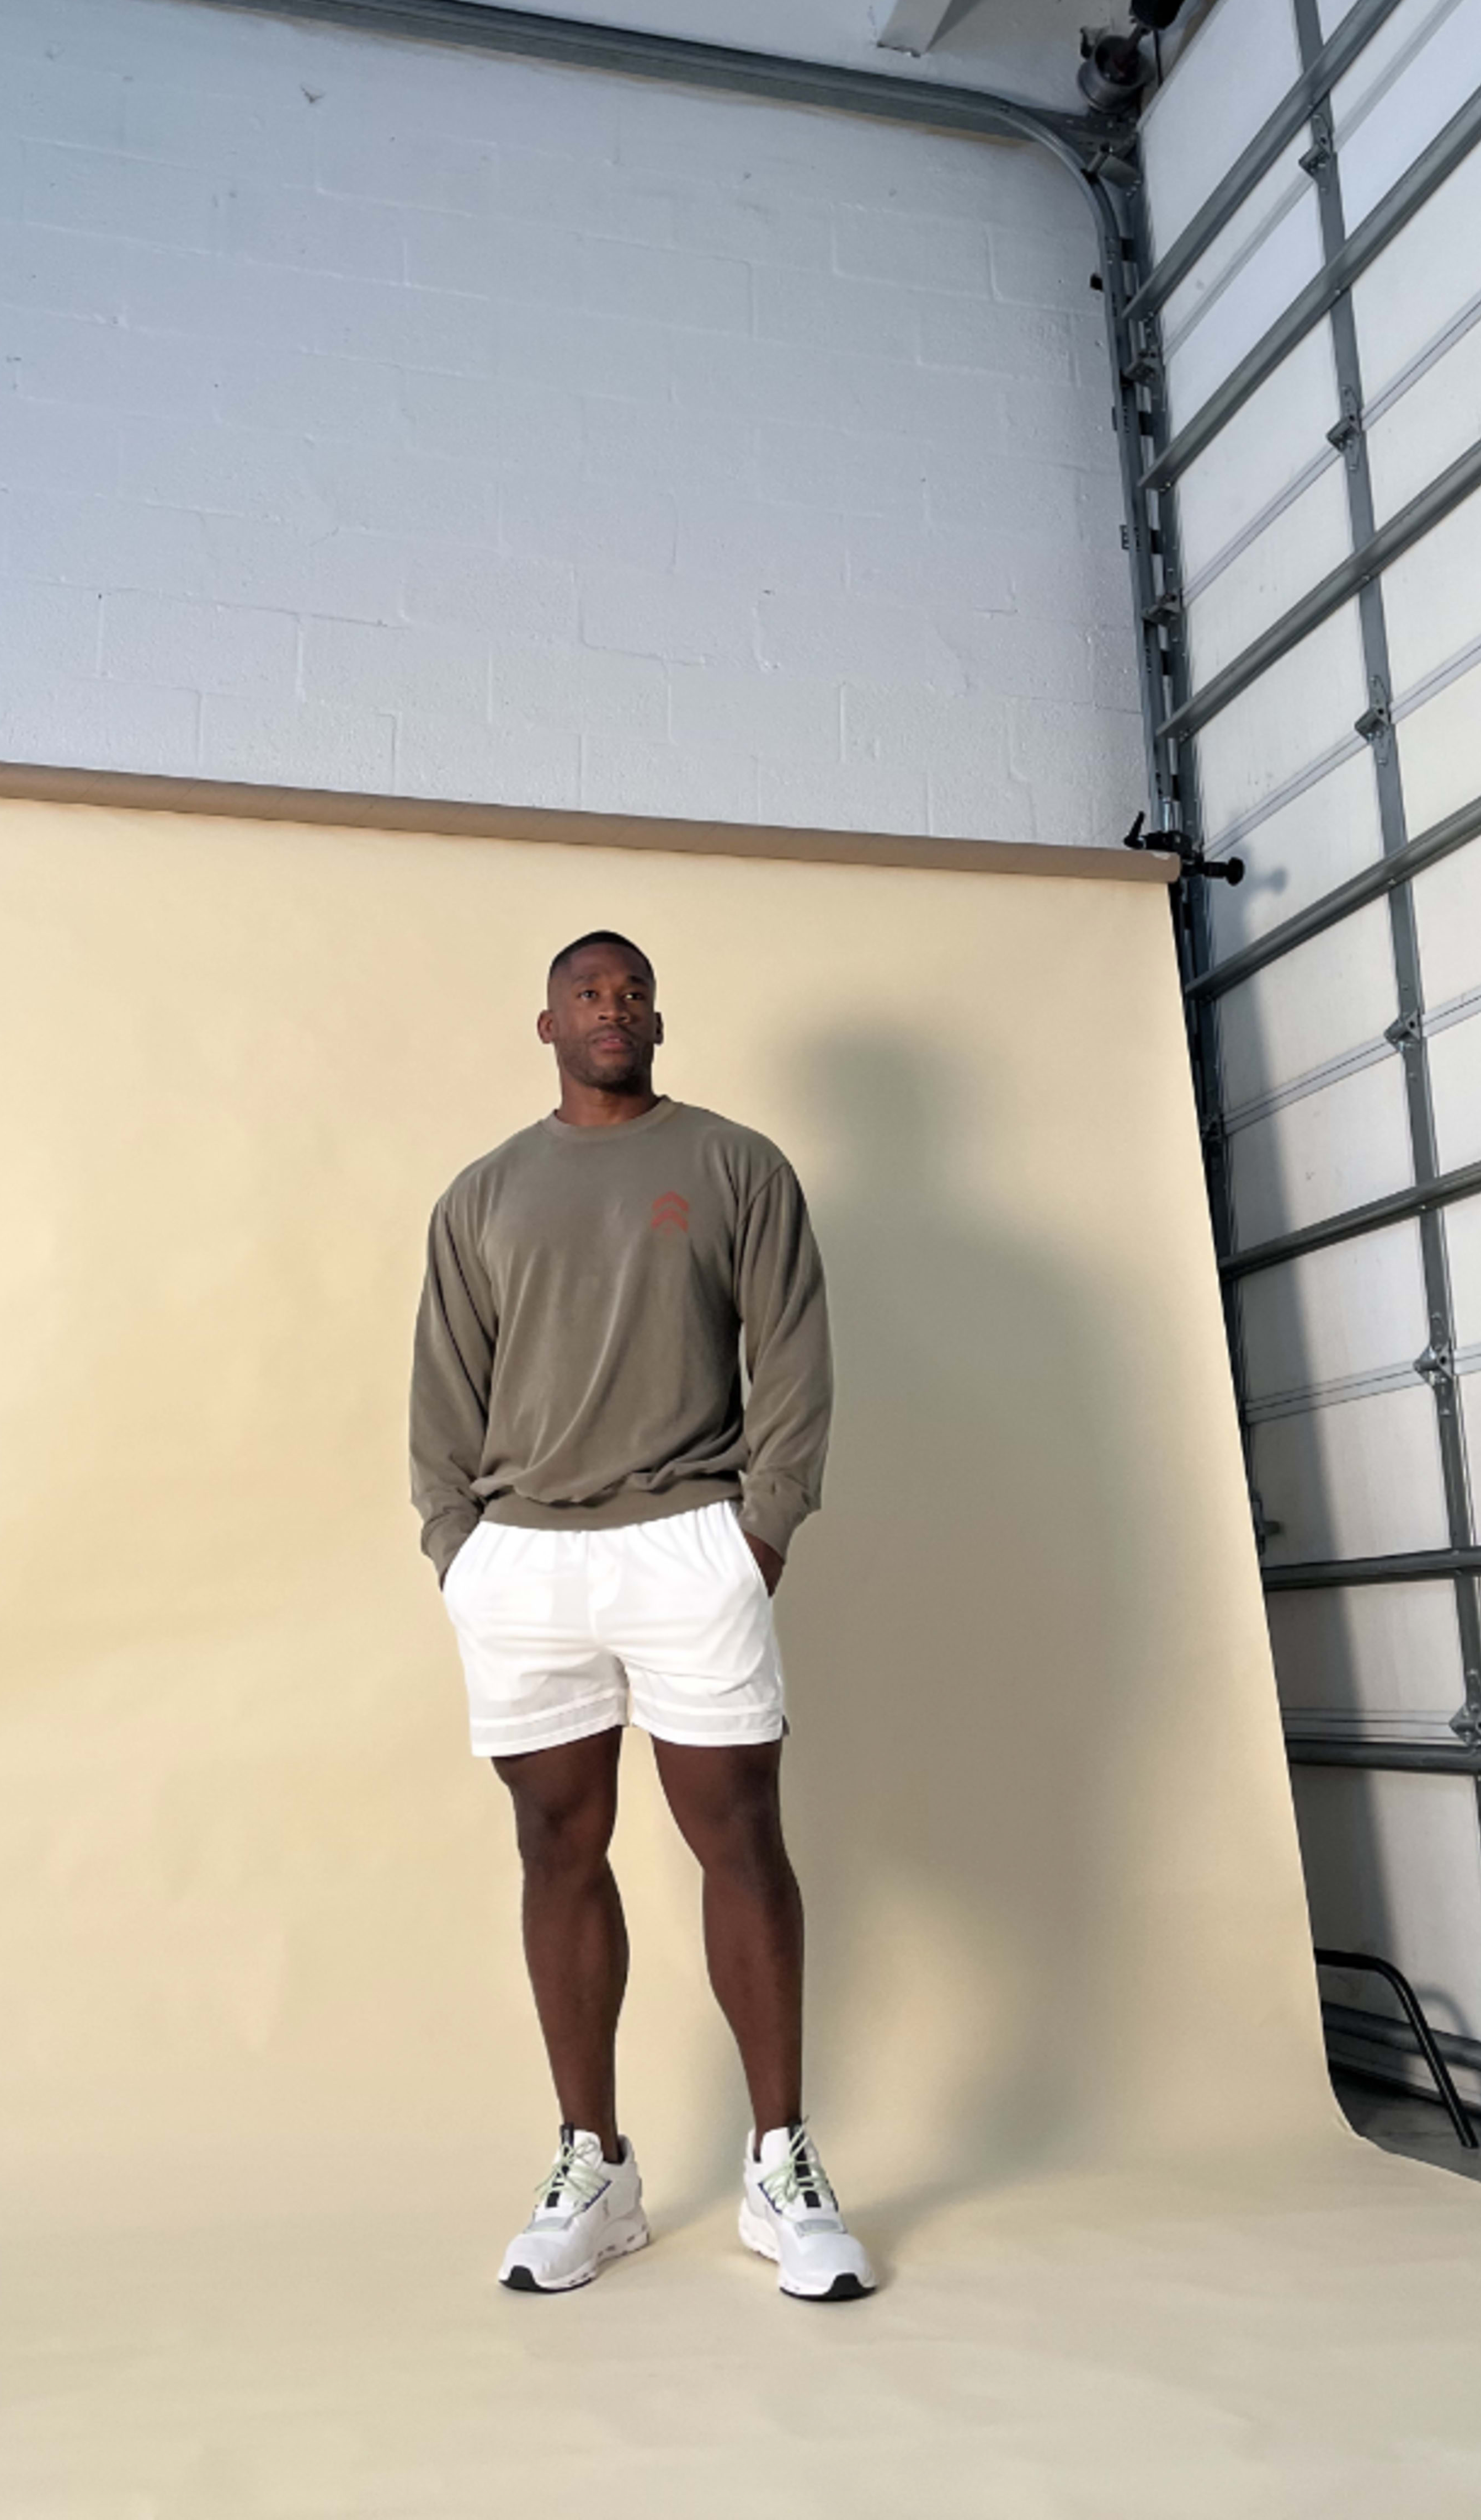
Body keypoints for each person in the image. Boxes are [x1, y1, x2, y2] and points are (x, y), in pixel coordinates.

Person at [411, 930, 874, 2303]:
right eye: (586, 995)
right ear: (544, 1024)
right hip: (525, 1557)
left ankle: (781, 2162)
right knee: (557, 1844)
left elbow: (791, 1345)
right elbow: (444, 1379)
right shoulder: (483, 1194)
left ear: (657, 1018)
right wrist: (457, 1546)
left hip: (691, 1540)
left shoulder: (736, 1165)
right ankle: (593, 2168)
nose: (612, 1009)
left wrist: (765, 1526)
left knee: (738, 1834)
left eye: (631, 992)